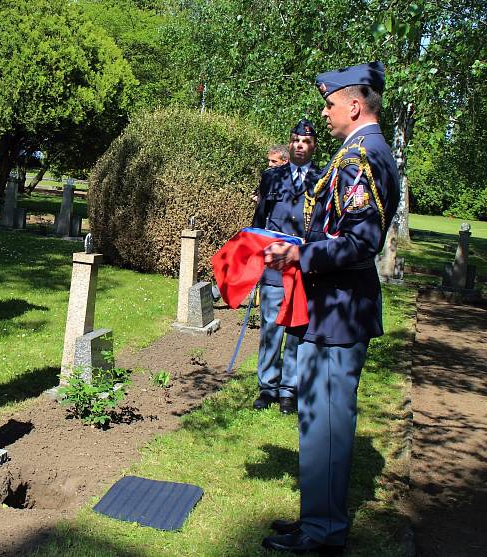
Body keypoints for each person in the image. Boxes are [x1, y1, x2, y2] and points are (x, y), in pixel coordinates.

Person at [260, 61, 399, 553]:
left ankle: (326, 531)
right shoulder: (356, 153)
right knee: (315, 418)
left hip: (342, 312)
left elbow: (362, 241)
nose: (325, 112)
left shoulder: (365, 157)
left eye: (330, 103)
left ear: (354, 105)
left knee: (332, 425)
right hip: (330, 309)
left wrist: (301, 254)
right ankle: (315, 519)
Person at [251, 119, 319, 414]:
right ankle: (268, 386)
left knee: (296, 331)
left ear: (313, 146)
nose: (299, 145)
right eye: (294, 140)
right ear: (289, 144)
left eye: (305, 141)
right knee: (270, 328)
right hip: (274, 267)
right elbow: (259, 220)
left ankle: (289, 389)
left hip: (303, 267)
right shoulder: (271, 177)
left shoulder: (322, 178)